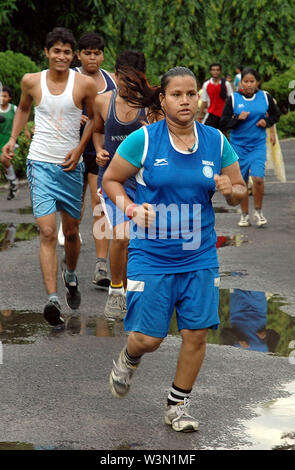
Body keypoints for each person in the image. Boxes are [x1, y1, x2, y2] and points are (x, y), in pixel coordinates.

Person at [102, 66, 247, 432]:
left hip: (199, 253)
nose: (186, 101)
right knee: (148, 339)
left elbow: (239, 188)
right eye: (177, 95)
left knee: (197, 333)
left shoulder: (215, 140)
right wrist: (132, 208)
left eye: (191, 93)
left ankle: (177, 405)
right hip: (151, 254)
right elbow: (111, 180)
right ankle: (130, 357)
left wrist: (230, 191)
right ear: (163, 100)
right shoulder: (145, 140)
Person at [2, 27, 97, 328]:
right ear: (46, 52)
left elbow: (94, 118)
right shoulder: (31, 81)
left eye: (67, 52)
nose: (61, 56)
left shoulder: (83, 84)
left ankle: (70, 274)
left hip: (71, 167)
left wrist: (80, 149)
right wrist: (13, 140)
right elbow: (24, 110)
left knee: (70, 233)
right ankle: (52, 299)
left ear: (74, 55)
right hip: (40, 163)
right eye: (56, 50)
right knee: (46, 232)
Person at [58, 31, 117, 290]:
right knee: (74, 211)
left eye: (97, 53)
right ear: (79, 55)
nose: (93, 58)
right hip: (70, 151)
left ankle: (101, 264)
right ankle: (70, 253)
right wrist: (73, 117)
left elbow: (115, 113)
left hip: (99, 153)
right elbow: (52, 113)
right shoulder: (66, 80)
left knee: (99, 204)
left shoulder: (111, 82)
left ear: (103, 55)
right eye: (88, 53)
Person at [93, 50, 147, 320]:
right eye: (124, 79)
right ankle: (116, 291)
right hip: (113, 181)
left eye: (134, 81)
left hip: (145, 183)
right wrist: (99, 149)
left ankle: (135, 289)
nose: (128, 86)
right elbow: (97, 129)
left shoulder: (153, 105)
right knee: (123, 234)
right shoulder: (104, 101)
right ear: (115, 75)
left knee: (142, 241)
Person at [220, 67, 280, 227]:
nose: (248, 84)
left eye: (251, 81)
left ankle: (258, 212)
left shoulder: (265, 97)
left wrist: (266, 123)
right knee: (242, 182)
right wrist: (238, 118)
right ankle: (244, 215)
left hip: (257, 145)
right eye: (245, 81)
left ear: (257, 82)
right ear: (241, 83)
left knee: (258, 179)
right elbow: (224, 122)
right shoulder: (233, 99)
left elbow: (276, 115)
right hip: (238, 146)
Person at [198, 63, 232, 129]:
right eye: (213, 70)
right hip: (211, 112)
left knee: (224, 134)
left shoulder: (226, 84)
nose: (215, 72)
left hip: (224, 114)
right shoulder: (206, 84)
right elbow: (204, 101)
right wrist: (200, 115)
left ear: (220, 71)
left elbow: (231, 99)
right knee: (207, 131)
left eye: (217, 70)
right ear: (210, 71)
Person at [0, 86, 19, 200]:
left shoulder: (14, 109)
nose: (2, 98)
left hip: (10, 140)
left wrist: (26, 130)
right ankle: (12, 182)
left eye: (4, 96)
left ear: (10, 98)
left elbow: (21, 120)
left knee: (4, 159)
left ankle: (13, 181)